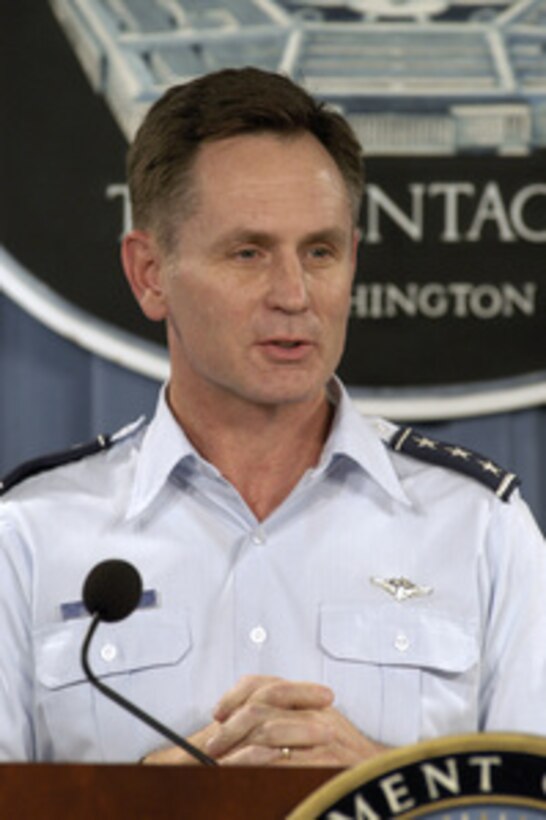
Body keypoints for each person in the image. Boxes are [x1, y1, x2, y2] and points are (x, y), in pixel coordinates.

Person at [0, 67, 545, 766]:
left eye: (320, 252)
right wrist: (144, 809)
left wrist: (378, 794)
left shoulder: (479, 530)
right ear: (149, 273)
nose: (293, 294)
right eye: (248, 252)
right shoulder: (29, 537)